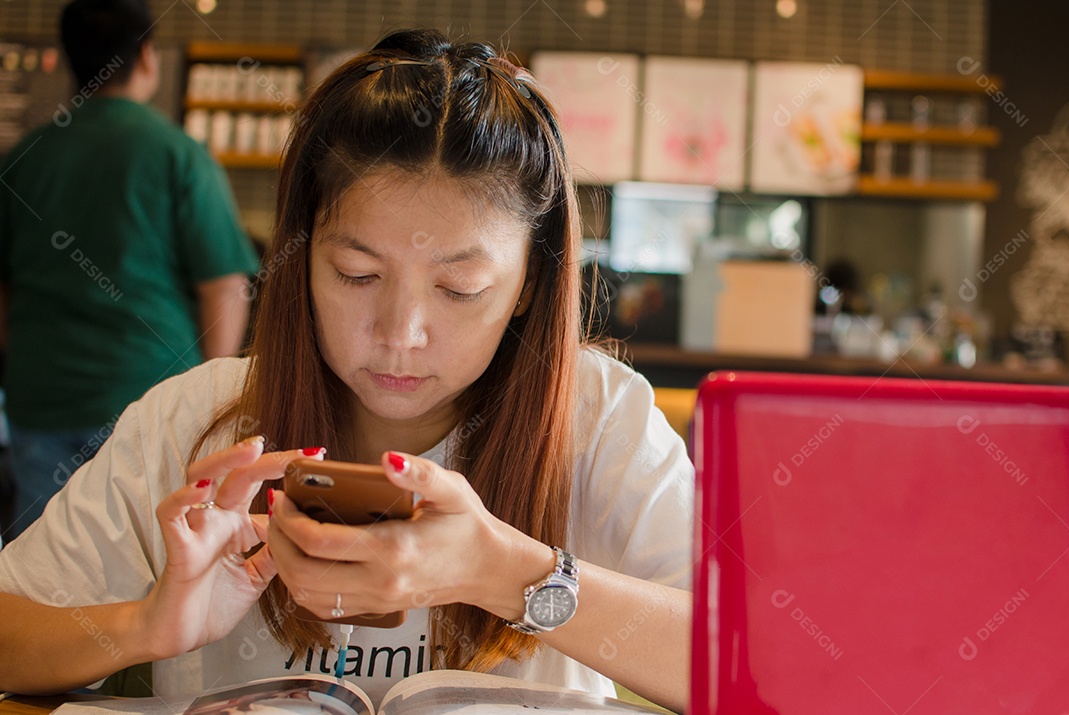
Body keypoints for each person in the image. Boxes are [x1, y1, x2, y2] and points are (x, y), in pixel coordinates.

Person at [0, 29, 692, 712]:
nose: (400, 334)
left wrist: (506, 571)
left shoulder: (597, 418)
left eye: (459, 289)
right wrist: (148, 624)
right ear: (300, 254)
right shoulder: (191, 421)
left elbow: (768, 664)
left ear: (529, 286)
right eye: (356, 274)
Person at [0, 0, 260, 539]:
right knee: (145, 566)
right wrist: (215, 402)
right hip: (148, 400)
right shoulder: (176, 154)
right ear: (146, 57)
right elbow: (225, 286)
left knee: (34, 571)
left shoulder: (26, 157)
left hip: (39, 394)